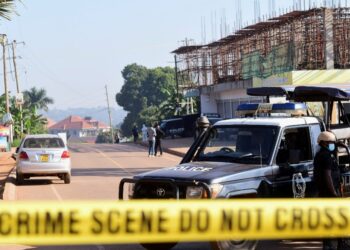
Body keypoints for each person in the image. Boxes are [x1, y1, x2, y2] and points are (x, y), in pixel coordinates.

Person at [314, 131, 345, 250]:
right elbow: (327, 175)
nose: (333, 145)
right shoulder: (324, 156)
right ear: (325, 143)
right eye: (332, 143)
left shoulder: (324, 154)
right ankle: (332, 245)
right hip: (329, 193)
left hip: (328, 191)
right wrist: (334, 193)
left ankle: (336, 244)